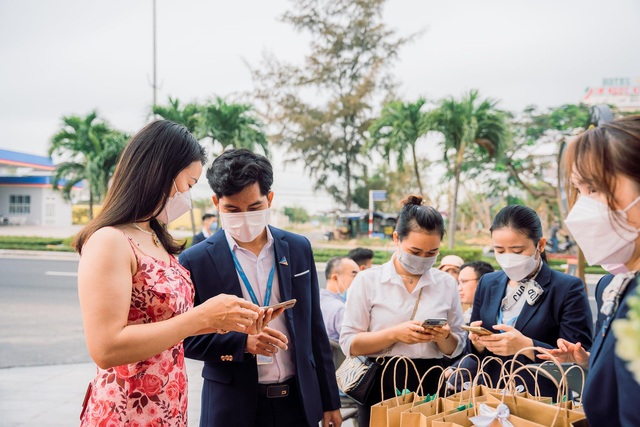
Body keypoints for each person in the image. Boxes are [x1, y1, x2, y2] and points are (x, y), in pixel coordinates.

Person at [75, 121, 262, 426]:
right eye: (188, 184)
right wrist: (202, 317)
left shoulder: (154, 237)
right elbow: (105, 347)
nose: (188, 196)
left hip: (166, 406)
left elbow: (168, 326)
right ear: (160, 173)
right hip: (127, 410)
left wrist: (225, 319)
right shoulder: (110, 241)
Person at [178, 148, 342, 427]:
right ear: (216, 202)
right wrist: (243, 344)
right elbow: (185, 339)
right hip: (233, 407)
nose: (244, 217)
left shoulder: (299, 248)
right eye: (232, 209)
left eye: (254, 208)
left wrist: (329, 401)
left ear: (270, 199)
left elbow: (315, 328)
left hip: (299, 402)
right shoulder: (195, 260)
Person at [538, 115, 640, 426]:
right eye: (579, 190)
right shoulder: (616, 285)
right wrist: (590, 362)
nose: (582, 208)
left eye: (594, 188)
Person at [340, 195, 466, 427]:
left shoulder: (446, 283)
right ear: (396, 239)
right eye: (415, 251)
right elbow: (349, 343)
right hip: (381, 381)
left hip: (430, 381)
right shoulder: (369, 281)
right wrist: (395, 334)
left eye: (432, 253)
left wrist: (444, 336)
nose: (423, 259)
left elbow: (455, 347)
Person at [466, 205, 593, 399]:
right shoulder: (488, 282)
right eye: (499, 250)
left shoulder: (567, 288)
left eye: (517, 250)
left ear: (540, 245)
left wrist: (526, 346)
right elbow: (473, 351)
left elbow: (577, 356)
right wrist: (478, 343)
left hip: (541, 398)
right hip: (490, 394)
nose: (508, 258)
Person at [320, 256, 360, 341]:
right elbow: (357, 344)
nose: (359, 279)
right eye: (354, 274)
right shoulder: (341, 309)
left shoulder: (315, 300)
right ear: (335, 278)